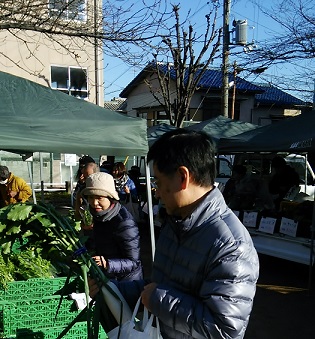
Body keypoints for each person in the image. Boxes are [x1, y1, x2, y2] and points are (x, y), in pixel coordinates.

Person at [89, 129, 259, 338]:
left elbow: (224, 329)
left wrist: (158, 299)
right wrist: (112, 290)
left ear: (182, 177)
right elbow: (161, 284)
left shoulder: (231, 245)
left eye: (159, 182)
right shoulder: (175, 224)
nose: (157, 193)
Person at [81, 172, 143, 281]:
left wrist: (107, 263)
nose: (94, 203)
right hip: (107, 278)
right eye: (90, 197)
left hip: (126, 283)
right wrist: (85, 248)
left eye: (100, 198)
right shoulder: (98, 215)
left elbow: (133, 262)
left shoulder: (124, 223)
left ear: (111, 197)